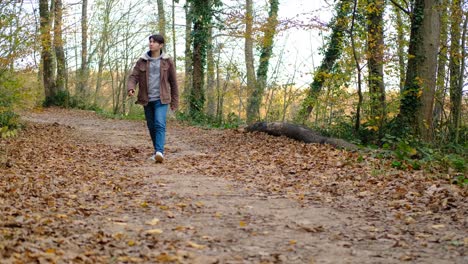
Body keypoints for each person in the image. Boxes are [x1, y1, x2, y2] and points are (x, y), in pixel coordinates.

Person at [127, 34, 179, 163]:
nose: (151, 44)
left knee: (159, 123)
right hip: (146, 99)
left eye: (154, 42)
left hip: (162, 99)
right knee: (151, 126)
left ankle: (160, 151)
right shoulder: (142, 60)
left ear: (160, 45)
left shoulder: (167, 61)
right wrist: (131, 88)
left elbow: (173, 83)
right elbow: (134, 76)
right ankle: (157, 152)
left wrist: (174, 102)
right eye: (150, 41)